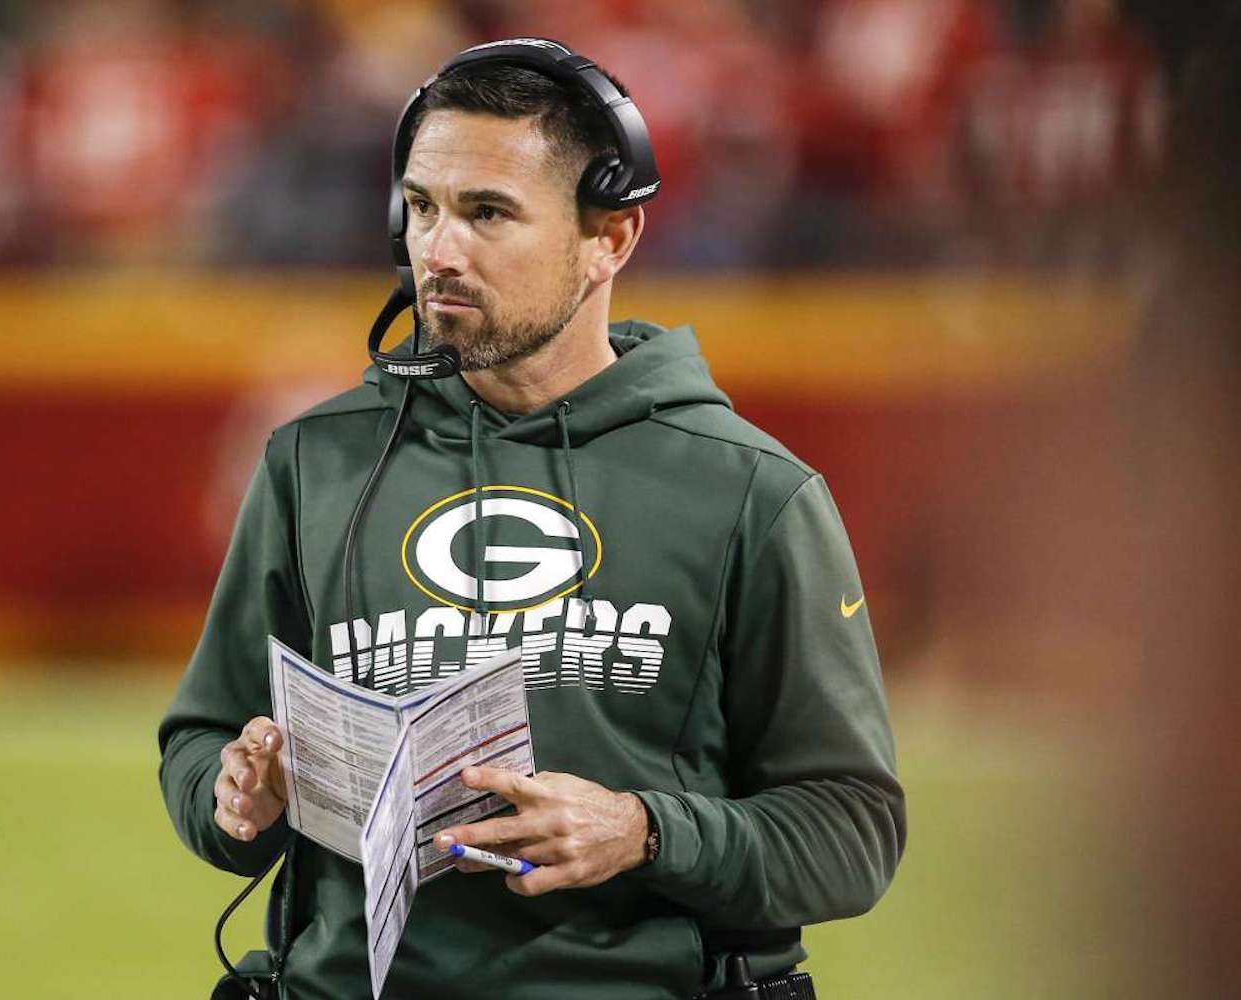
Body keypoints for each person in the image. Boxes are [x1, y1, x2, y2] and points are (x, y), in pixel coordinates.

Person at [158, 39, 905, 1000]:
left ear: (612, 238)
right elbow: (201, 738)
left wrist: (642, 831)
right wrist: (232, 796)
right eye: (422, 208)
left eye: (488, 213)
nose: (439, 251)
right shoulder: (314, 464)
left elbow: (852, 832)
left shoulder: (752, 493)